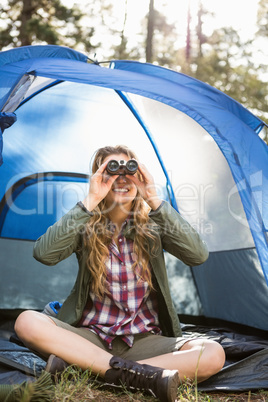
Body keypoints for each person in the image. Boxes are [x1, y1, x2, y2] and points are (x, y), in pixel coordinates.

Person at [14, 145, 225, 402]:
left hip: (144, 341)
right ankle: (134, 376)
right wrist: (90, 201)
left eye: (129, 169)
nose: (121, 177)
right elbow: (44, 254)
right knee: (26, 321)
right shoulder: (85, 225)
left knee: (213, 353)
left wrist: (153, 197)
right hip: (91, 337)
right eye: (111, 170)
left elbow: (198, 255)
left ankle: (94, 369)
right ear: (98, 177)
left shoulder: (154, 226)